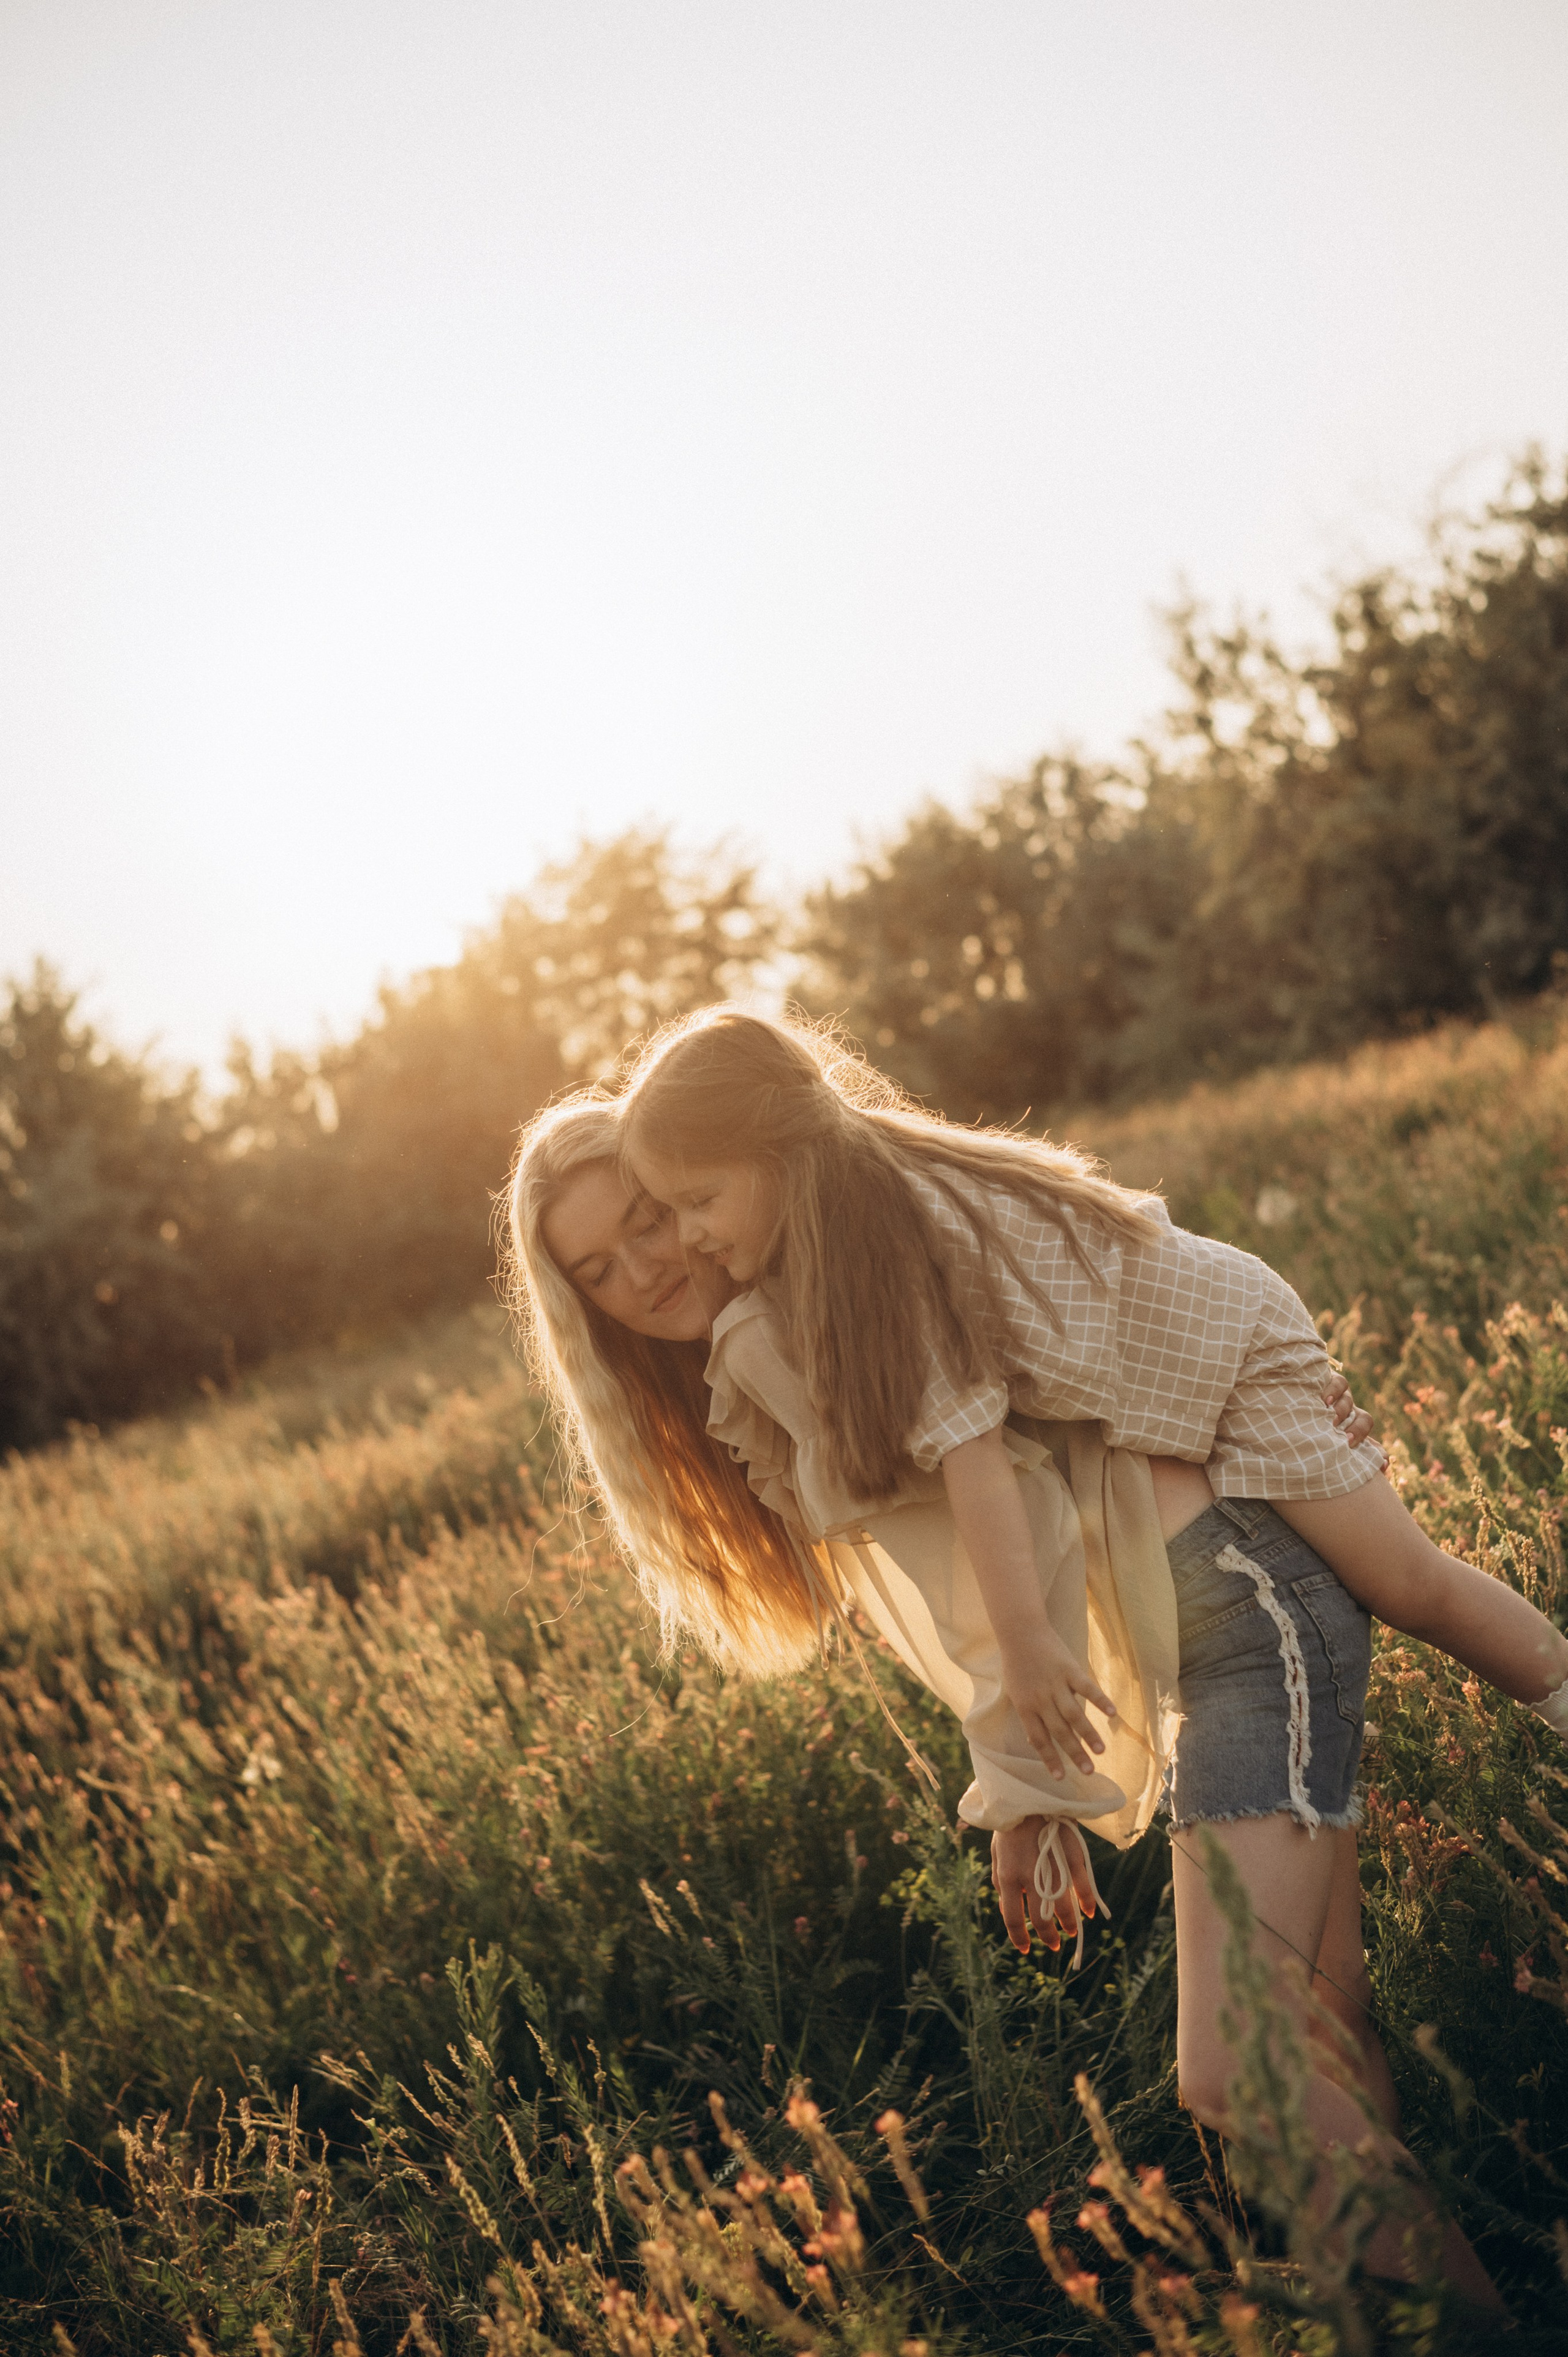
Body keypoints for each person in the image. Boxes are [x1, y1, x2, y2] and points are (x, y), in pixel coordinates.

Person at [612, 1008, 1568, 2308]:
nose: (682, 1239)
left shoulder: (878, 1242)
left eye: (691, 1203)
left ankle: (1483, 2322)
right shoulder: (850, 1223)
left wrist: (1027, 1697)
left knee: (1406, 1593)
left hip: (1233, 1408)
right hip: (1215, 1483)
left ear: (777, 1151)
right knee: (1317, 2028)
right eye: (650, 1222)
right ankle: (1402, 2307)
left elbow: (977, 1470)